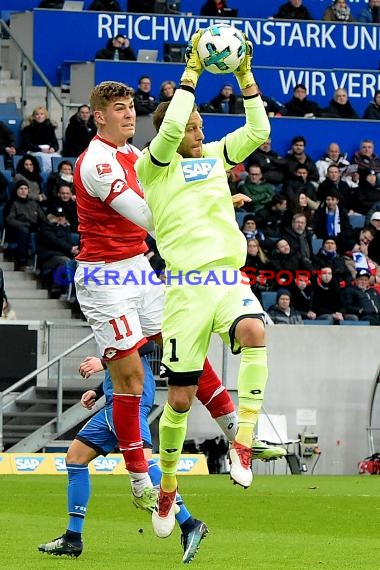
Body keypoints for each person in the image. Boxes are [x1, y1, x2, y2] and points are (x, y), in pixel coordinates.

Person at [135, 29, 272, 535]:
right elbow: (169, 131)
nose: (197, 129)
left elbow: (257, 132)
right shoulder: (153, 165)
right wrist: (190, 71)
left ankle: (243, 442)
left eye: (199, 123)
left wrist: (244, 75)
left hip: (226, 278)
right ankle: (167, 492)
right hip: (185, 291)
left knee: (256, 332)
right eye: (191, 125)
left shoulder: (215, 156)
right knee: (179, 402)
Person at [38, 350, 208, 563]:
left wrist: (102, 361)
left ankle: (190, 524)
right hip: (114, 400)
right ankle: (72, 538)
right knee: (75, 458)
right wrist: (98, 391)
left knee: (143, 464)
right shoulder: (110, 324)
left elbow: (142, 345)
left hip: (132, 400)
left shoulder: (125, 319)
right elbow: (122, 361)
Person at [5, 180, 46, 270]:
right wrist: (25, 224)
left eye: (25, 189)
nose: (23, 191)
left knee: (46, 230)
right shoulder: (12, 203)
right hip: (17, 231)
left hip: (33, 228)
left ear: (28, 191)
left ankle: (42, 263)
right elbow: (10, 220)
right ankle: (22, 261)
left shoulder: (34, 203)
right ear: (16, 190)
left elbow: (43, 218)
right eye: (21, 189)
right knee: (24, 231)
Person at [19, 106, 60, 173]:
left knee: (57, 157)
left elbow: (55, 143)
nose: (39, 116)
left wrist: (53, 148)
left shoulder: (50, 128)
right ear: (34, 116)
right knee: (43, 158)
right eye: (37, 114)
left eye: (41, 114)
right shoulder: (28, 128)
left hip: (48, 151)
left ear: (45, 116)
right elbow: (26, 143)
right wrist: (40, 149)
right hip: (34, 151)